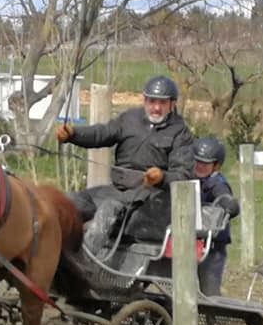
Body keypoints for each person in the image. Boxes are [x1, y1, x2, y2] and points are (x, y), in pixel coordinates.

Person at [55, 75, 194, 246]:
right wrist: (73, 134)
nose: (156, 108)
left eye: (162, 103)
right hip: (117, 189)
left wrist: (161, 177)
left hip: (149, 199)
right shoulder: (130, 119)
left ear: (172, 104)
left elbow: (183, 175)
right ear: (145, 100)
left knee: (109, 209)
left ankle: (87, 264)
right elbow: (102, 133)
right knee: (69, 202)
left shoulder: (181, 133)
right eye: (152, 101)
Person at [193, 136, 239, 296]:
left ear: (216, 166)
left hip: (212, 248)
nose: (199, 165)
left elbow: (224, 195)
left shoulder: (217, 183)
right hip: (190, 243)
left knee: (209, 291)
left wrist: (228, 204)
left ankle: (214, 320)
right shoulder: (189, 178)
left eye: (204, 163)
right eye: (196, 160)